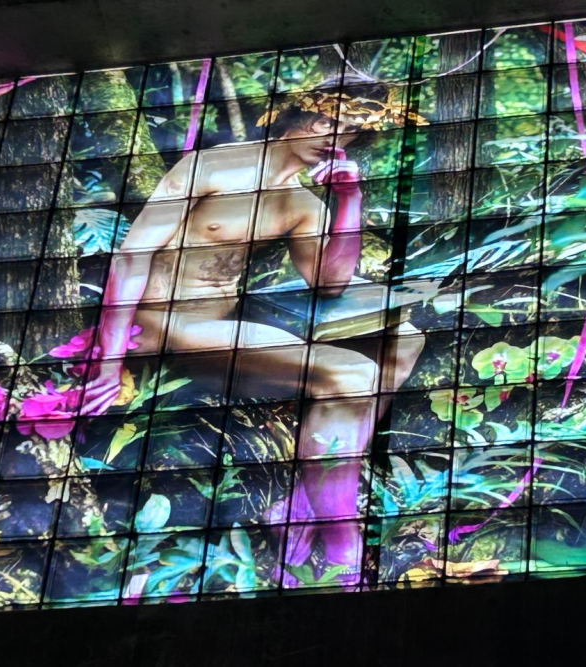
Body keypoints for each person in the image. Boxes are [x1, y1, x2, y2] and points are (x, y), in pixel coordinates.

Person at [83, 76, 426, 585]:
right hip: (161, 324)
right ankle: (343, 545)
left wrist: (349, 198)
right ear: (293, 116)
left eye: (350, 130)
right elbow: (133, 256)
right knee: (352, 374)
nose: (333, 136)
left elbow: (329, 282)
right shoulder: (213, 165)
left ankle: (306, 500)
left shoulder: (302, 203)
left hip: (219, 331)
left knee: (405, 339)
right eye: (325, 120)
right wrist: (110, 358)